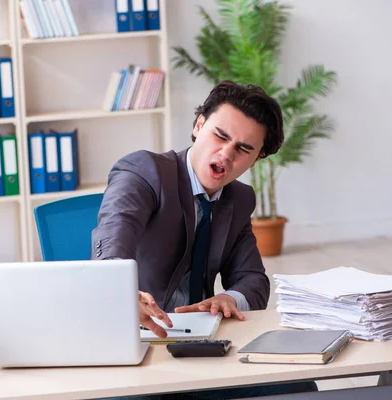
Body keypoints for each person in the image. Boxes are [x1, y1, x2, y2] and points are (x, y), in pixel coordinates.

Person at [91, 81, 317, 398]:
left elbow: (252, 279)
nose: (226, 153)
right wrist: (119, 288)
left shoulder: (239, 199)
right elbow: (115, 231)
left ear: (257, 158)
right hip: (141, 341)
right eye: (220, 136)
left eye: (243, 149)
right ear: (199, 126)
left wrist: (231, 299)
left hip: (203, 344)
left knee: (300, 387)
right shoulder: (145, 171)